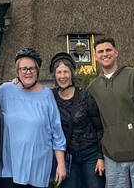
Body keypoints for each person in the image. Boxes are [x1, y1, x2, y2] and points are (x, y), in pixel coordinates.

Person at [87, 38, 134, 188]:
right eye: (100, 51)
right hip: (113, 159)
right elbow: (95, 125)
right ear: (95, 57)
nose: (105, 54)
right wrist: (100, 156)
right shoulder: (93, 87)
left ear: (116, 53)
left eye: (108, 50)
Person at [0, 48, 66, 188]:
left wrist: (61, 165)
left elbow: (56, 132)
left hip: (38, 168)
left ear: (37, 71)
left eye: (32, 68)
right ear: (17, 71)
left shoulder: (46, 95)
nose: (28, 72)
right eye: (24, 69)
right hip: (9, 169)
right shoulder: (5, 90)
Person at [49, 52, 105, 188]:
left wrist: (100, 157)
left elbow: (99, 128)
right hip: (68, 156)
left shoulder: (85, 96)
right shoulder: (50, 97)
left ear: (72, 74)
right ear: (54, 75)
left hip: (90, 154)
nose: (63, 76)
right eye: (59, 72)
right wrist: (17, 83)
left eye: (66, 72)